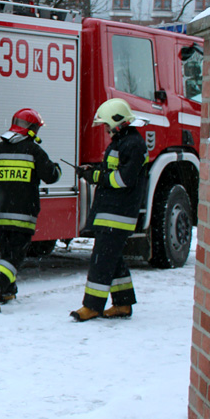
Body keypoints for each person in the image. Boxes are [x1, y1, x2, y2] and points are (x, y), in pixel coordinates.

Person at [70, 98, 148, 322]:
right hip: (111, 211)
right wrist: (93, 170)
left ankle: (92, 306)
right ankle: (123, 304)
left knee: (101, 260)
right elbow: (112, 170)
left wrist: (94, 176)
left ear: (118, 122)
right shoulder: (122, 143)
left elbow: (123, 179)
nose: (105, 129)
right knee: (112, 258)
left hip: (118, 213)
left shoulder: (133, 144)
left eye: (106, 125)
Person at [0, 108, 62, 313]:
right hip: (25, 213)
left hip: (2, 213)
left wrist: (0, 189)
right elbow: (51, 176)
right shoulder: (34, 151)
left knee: (5, 251)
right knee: (15, 255)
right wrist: (57, 168)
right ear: (32, 129)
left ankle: (8, 291)